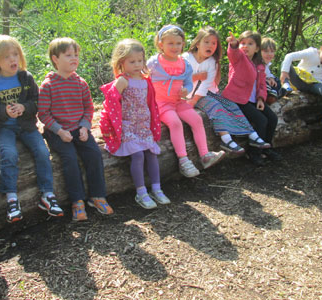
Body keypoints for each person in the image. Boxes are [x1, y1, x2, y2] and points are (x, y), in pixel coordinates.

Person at [0, 35, 63, 224]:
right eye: (7, 56)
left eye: (15, 54)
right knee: (9, 155)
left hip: (26, 126)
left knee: (42, 152)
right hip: (4, 129)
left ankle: (47, 194)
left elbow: (37, 102)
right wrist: (4, 111)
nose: (13, 60)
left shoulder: (26, 77)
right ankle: (11, 198)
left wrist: (24, 107)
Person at [38, 37, 112, 221]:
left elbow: (88, 108)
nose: (74, 59)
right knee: (69, 158)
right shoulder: (48, 85)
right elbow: (43, 114)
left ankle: (97, 196)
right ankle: (77, 201)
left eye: (76, 55)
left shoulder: (80, 83)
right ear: (55, 59)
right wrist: (59, 130)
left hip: (79, 128)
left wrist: (85, 127)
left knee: (94, 154)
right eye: (68, 55)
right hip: (58, 131)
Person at [100, 39, 171, 209]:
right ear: (121, 62)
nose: (137, 64)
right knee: (138, 155)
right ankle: (141, 193)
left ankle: (157, 188)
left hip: (143, 126)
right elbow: (110, 102)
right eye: (132, 62)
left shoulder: (145, 80)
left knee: (151, 154)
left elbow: (150, 103)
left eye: (140, 61)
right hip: (128, 126)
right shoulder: (123, 81)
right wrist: (110, 125)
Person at [147, 24, 225, 178]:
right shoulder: (154, 62)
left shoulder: (184, 63)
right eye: (170, 43)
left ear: (183, 44)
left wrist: (186, 90)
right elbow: (142, 76)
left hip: (178, 101)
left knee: (196, 119)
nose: (175, 47)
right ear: (161, 44)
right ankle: (184, 160)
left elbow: (188, 83)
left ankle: (205, 155)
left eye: (178, 43)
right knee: (175, 123)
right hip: (160, 103)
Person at [182, 27, 268, 155]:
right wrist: (195, 94)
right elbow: (181, 79)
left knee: (231, 105)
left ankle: (252, 134)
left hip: (208, 92)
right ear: (198, 43)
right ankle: (226, 139)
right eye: (207, 42)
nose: (210, 45)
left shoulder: (212, 62)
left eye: (214, 43)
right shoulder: (186, 58)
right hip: (190, 95)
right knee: (216, 107)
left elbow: (206, 84)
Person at [222, 31, 282, 167]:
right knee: (261, 120)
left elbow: (261, 85)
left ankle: (267, 148)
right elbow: (233, 53)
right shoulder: (239, 59)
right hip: (237, 99)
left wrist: (261, 99)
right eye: (243, 43)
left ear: (257, 48)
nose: (245, 46)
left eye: (250, 44)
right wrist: (234, 45)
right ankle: (254, 152)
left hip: (253, 99)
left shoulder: (259, 64)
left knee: (272, 118)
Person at [280, 39, 322, 132]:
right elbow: (289, 56)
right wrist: (284, 71)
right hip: (299, 79)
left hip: (314, 84)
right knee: (287, 64)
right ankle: (285, 85)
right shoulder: (311, 53)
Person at [261, 37, 286, 104]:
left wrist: (271, 78)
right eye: (266, 51)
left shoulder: (266, 63)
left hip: (266, 81)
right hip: (261, 83)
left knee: (276, 80)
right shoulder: (258, 63)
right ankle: (271, 94)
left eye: (272, 51)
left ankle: (276, 93)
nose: (269, 54)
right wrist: (266, 79)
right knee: (266, 83)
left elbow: (267, 73)